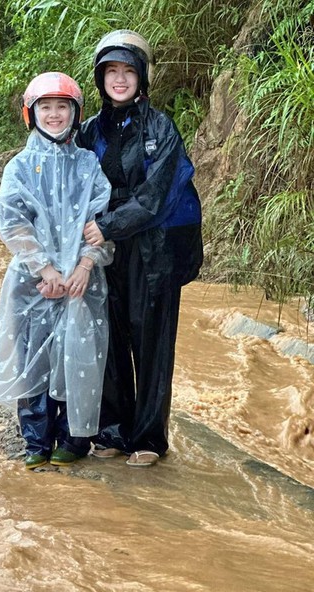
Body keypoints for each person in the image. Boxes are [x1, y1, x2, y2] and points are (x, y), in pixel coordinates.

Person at [76, 30, 203, 467]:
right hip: (105, 253)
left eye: (128, 70)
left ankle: (149, 439)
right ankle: (112, 429)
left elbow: (156, 196)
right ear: (100, 78)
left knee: (151, 343)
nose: (119, 78)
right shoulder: (89, 130)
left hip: (154, 251)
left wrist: (107, 226)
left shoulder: (161, 128)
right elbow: (71, 186)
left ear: (142, 76)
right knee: (108, 337)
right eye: (111, 70)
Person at [0, 72, 114, 470]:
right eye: (46, 107)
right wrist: (43, 269)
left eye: (63, 107)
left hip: (81, 283)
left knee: (76, 355)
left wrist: (84, 265)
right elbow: (13, 223)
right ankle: (35, 441)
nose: (55, 114)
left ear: (76, 114)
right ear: (32, 113)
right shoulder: (20, 167)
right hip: (33, 283)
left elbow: (102, 220)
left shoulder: (89, 164)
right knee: (33, 361)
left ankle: (73, 440)